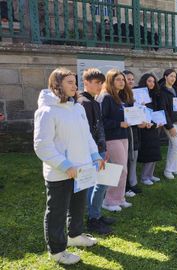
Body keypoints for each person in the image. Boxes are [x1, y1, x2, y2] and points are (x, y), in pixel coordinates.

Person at [34, 67, 101, 265]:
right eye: (70, 82)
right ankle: (57, 251)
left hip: (82, 169)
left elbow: (87, 135)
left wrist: (95, 155)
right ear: (57, 85)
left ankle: (75, 235)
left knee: (78, 206)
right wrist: (64, 165)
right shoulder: (46, 111)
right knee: (57, 211)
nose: (75, 86)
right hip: (60, 172)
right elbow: (42, 146)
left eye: (75, 82)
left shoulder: (77, 107)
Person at [77, 68, 114, 235]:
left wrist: (104, 148)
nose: (99, 86)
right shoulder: (83, 102)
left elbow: (100, 128)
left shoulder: (94, 101)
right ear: (86, 82)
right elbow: (87, 132)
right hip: (91, 151)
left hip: (99, 149)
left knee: (102, 182)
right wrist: (96, 152)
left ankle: (95, 215)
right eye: (96, 83)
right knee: (96, 184)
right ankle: (92, 219)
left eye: (101, 83)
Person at [98, 69, 132, 211]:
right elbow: (101, 121)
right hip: (112, 138)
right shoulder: (106, 98)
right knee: (118, 169)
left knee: (124, 168)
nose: (122, 82)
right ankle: (109, 201)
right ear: (110, 81)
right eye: (118, 79)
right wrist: (119, 124)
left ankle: (120, 198)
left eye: (123, 80)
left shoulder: (121, 98)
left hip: (123, 136)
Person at [159, 69, 177, 179]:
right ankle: (168, 170)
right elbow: (163, 110)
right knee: (176, 145)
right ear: (165, 77)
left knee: (172, 146)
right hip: (169, 123)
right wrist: (170, 127)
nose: (173, 78)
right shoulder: (161, 91)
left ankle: (174, 168)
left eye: (174, 77)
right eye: (171, 76)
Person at [121, 70, 145, 196]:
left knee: (133, 157)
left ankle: (131, 183)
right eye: (127, 79)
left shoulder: (133, 94)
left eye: (132, 79)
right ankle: (125, 187)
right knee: (126, 159)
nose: (130, 81)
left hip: (134, 130)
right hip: (125, 131)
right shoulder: (121, 95)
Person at [136, 73, 162, 186]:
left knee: (155, 150)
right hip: (144, 127)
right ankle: (144, 177)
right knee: (148, 152)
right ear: (144, 82)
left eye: (153, 81)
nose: (152, 83)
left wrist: (159, 121)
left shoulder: (154, 94)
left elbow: (156, 110)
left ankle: (150, 175)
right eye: (149, 81)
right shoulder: (138, 93)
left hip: (153, 125)